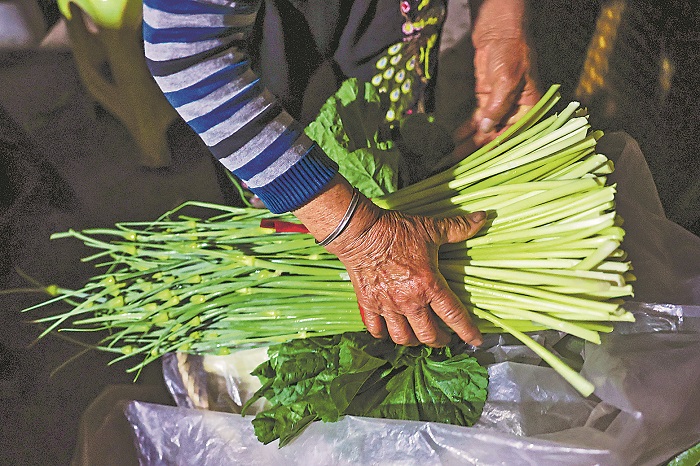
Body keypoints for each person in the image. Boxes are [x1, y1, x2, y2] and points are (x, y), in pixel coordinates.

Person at [142, 0, 540, 348]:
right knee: (290, 197)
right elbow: (185, 50)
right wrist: (360, 235)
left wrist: (502, 18)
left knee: (390, 141)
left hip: (394, 20)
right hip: (270, 40)